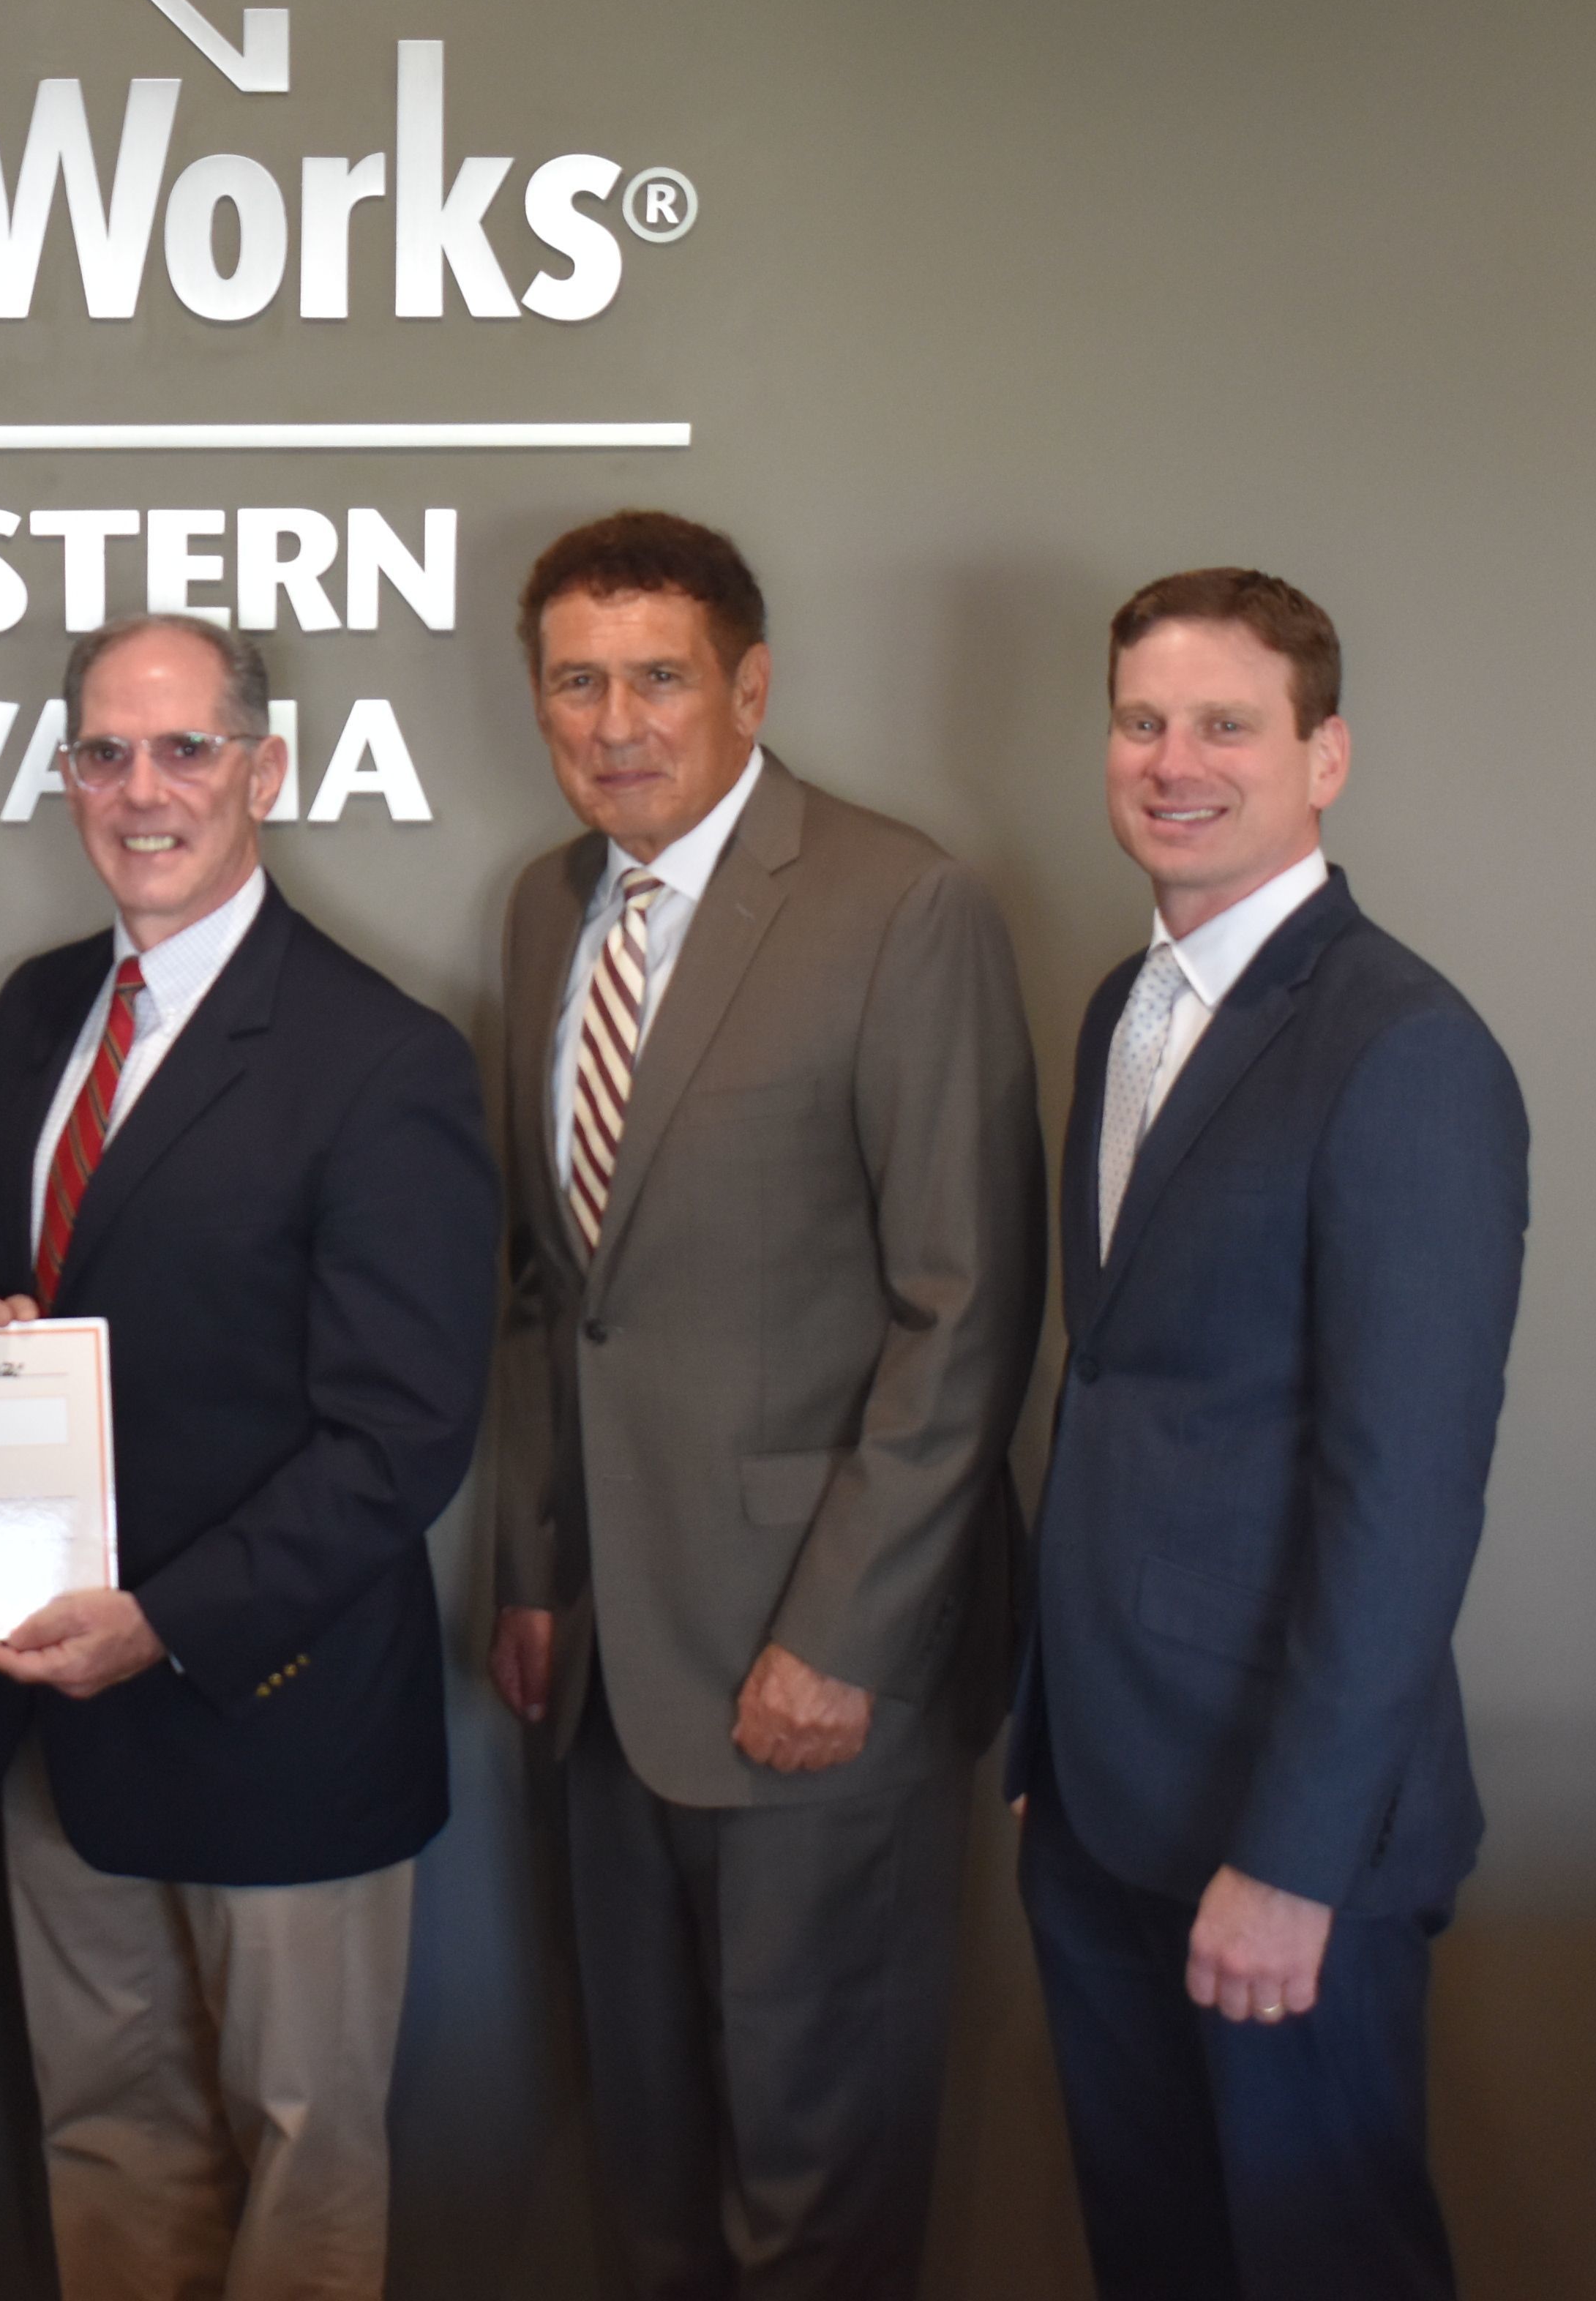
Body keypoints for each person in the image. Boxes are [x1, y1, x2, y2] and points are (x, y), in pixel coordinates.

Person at [482, 513, 1044, 2301]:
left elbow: (965, 1309)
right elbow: (556, 1296)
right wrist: (534, 1570)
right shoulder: (544, 904)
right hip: (604, 1681)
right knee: (648, 2179)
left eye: (659, 676)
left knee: (813, 2194)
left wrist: (843, 1634)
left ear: (751, 683)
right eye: (579, 680)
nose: (618, 718)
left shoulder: (901, 901)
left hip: (814, 1675)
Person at [0, 613, 498, 2301]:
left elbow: (402, 1433)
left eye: (186, 747)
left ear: (265, 769)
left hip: (279, 1706)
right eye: (107, 752)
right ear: (65, 780)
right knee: (107, 2133)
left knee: (300, 2152)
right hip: (61, 1708)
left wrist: (164, 1617)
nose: (144, 788)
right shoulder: (43, 1009)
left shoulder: (380, 1056)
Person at [1012, 569, 1527, 2301]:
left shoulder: (1406, 1047)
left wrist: (1293, 1861)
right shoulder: (1123, 1011)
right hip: (1102, 1803)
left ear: (1327, 756)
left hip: (1283, 1834)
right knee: (1158, 2259)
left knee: (1322, 2269)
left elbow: (1405, 1495)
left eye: (1227, 722)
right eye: (1143, 719)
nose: (1176, 759)